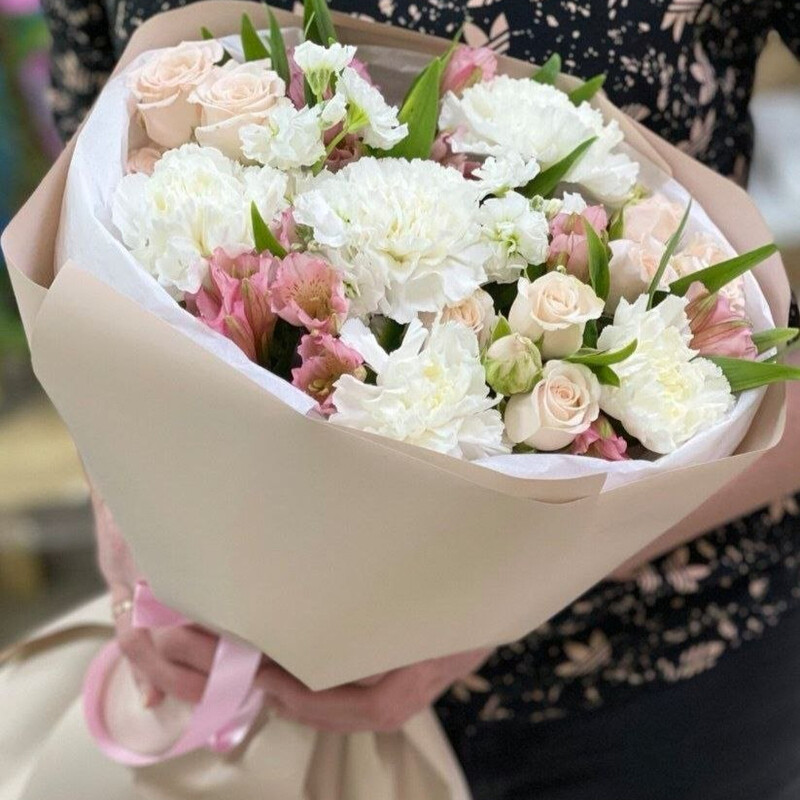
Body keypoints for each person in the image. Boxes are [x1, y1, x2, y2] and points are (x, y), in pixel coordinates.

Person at [42, 0, 800, 797]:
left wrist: (500, 591)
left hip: (647, 682)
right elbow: (92, 201)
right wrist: (128, 503)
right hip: (241, 667)